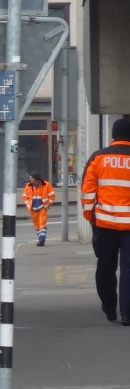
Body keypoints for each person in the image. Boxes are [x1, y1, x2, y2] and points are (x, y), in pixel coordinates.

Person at [81, 116, 130, 323]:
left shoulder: (98, 158)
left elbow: (87, 192)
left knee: (106, 267)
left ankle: (109, 308)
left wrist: (91, 217)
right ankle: (127, 313)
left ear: (113, 135)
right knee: (128, 268)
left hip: (104, 225)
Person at [23, 170, 55, 247]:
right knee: (37, 225)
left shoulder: (46, 185)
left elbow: (52, 195)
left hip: (42, 208)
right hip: (33, 208)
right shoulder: (28, 186)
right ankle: (40, 238)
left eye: (31, 178)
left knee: (42, 223)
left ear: (35, 179)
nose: (30, 179)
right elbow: (25, 197)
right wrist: (28, 206)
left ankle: (42, 239)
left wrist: (48, 205)